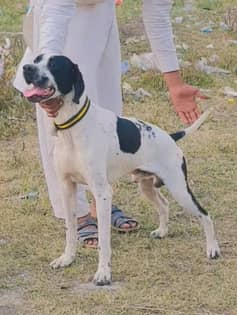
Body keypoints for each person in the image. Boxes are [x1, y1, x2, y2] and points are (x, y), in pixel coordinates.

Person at [14, 0, 206, 248]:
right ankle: (78, 213)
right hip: (59, 14)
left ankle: (99, 202)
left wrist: (175, 83)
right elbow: (57, 7)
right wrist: (44, 80)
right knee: (63, 120)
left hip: (101, 16)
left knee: (107, 111)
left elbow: (156, 13)